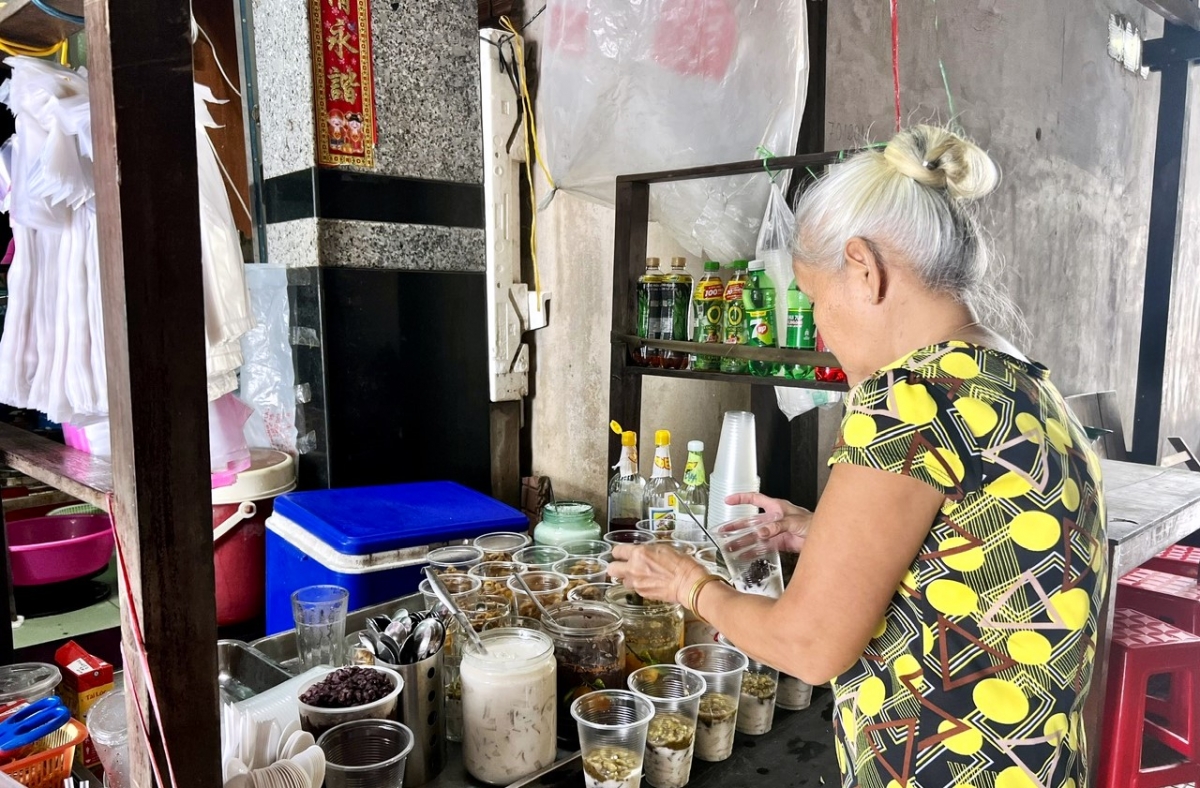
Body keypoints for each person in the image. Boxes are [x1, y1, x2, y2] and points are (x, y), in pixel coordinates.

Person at [608, 125, 1107, 788]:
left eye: (816, 300)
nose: (817, 327)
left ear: (865, 270)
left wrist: (687, 585)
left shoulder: (909, 399)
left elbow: (808, 648)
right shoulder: (1014, 376)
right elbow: (987, 551)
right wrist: (822, 531)